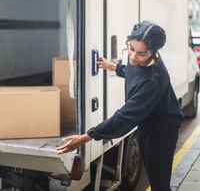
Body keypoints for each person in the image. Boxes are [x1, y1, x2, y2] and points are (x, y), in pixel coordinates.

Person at [56, 20, 183, 191]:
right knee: (150, 167)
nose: (133, 57)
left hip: (163, 130)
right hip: (147, 122)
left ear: (154, 52)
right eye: (131, 48)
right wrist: (113, 67)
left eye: (141, 53)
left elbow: (126, 115)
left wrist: (86, 137)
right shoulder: (141, 58)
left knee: (159, 181)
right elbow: (133, 72)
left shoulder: (154, 80)